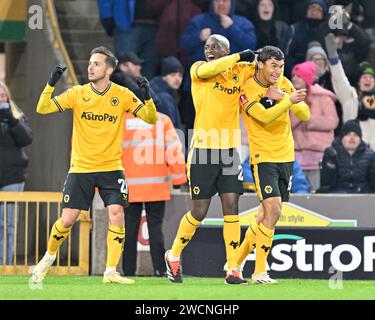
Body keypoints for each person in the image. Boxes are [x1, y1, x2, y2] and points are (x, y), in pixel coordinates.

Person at [31, 46, 158, 284]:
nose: (90, 67)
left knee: (117, 213)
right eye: (90, 63)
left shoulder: (122, 95)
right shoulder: (78, 93)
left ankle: (110, 271)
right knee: (68, 219)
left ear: (109, 69)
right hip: (81, 168)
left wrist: (147, 97)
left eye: (97, 64)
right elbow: (42, 107)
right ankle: (47, 259)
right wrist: (51, 83)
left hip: (111, 167)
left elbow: (151, 119)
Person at [164, 34, 256, 285]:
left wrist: (266, 59)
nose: (210, 50)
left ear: (226, 49)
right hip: (203, 150)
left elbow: (262, 71)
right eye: (207, 47)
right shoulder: (198, 69)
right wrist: (239, 56)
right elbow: (214, 67)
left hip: (228, 151)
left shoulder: (239, 71)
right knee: (200, 211)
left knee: (232, 208)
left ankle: (233, 268)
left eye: (216, 47)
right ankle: (173, 256)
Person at [235, 46, 310, 283]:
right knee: (274, 211)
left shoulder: (285, 83)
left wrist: (291, 98)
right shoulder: (248, 89)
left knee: (263, 216)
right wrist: (285, 99)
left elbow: (305, 114)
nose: (278, 71)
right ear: (261, 64)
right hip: (263, 158)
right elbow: (264, 117)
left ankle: (234, 264)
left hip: (286, 157)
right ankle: (259, 271)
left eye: (281, 66)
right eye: (274, 66)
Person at [121, 111, 187, 276]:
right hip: (156, 186)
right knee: (155, 229)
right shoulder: (162, 119)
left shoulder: (122, 119)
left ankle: (128, 271)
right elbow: (174, 150)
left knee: (129, 230)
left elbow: (110, 151)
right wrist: (179, 178)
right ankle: (159, 269)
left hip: (130, 186)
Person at [290, 61, 338, 191]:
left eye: (299, 76)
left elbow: (333, 121)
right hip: (296, 155)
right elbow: (286, 125)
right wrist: (299, 111)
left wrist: (310, 120)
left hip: (319, 155)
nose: (294, 78)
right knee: (297, 192)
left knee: (317, 195)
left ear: (307, 78)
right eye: (293, 75)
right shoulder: (290, 97)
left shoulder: (324, 97)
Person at [0, 81, 32, 265]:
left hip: (12, 176)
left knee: (7, 223)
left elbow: (26, 138)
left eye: (3, 95)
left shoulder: (17, 115)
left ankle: (4, 265)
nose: (1, 99)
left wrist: (11, 120)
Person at [324, 33, 375, 149]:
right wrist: (333, 58)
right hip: (351, 151)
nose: (368, 79)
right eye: (364, 77)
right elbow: (339, 79)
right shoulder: (350, 96)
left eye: (371, 77)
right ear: (358, 81)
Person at [98, 0, 159, 79]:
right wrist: (107, 16)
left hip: (156, 26)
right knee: (124, 70)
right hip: (126, 24)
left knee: (149, 74)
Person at [319, 119, 375, 193]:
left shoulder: (370, 155)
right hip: (337, 198)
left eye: (356, 135)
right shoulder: (331, 153)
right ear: (341, 138)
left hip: (363, 197)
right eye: (348, 134)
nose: (352, 138)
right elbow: (327, 185)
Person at [150, 56, 184, 130]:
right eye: (173, 75)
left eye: (180, 75)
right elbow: (170, 128)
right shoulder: (164, 98)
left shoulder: (158, 92)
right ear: (164, 76)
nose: (177, 78)